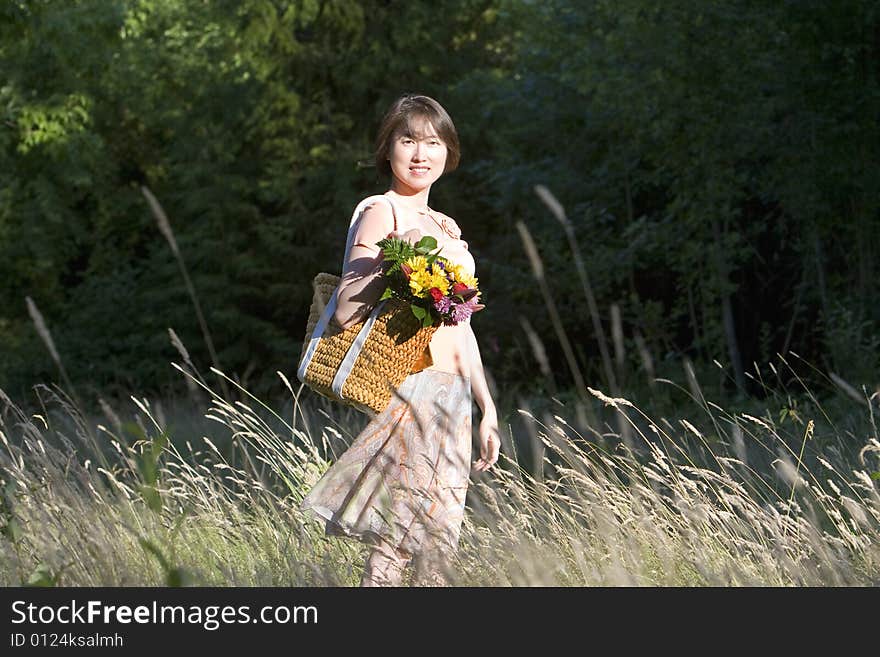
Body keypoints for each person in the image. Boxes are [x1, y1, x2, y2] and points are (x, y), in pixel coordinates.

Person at [299, 93, 501, 586]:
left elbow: (460, 326)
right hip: (411, 391)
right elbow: (345, 309)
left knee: (438, 545)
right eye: (407, 139)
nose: (419, 153)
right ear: (387, 148)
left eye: (432, 142)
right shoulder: (379, 211)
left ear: (447, 152)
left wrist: (487, 406)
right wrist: (397, 257)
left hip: (452, 398)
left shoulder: (446, 226)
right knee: (399, 540)